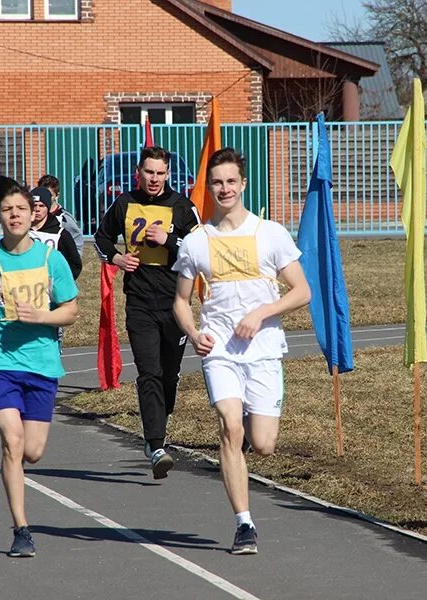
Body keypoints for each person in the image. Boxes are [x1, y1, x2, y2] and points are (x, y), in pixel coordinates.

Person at [172, 148, 311, 555]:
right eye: (217, 182)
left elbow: (302, 291)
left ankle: (248, 443)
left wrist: (261, 313)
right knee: (229, 426)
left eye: (231, 181)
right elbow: (180, 301)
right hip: (219, 349)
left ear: (243, 184)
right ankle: (244, 524)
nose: (224, 188)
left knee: (264, 443)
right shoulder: (196, 242)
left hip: (263, 348)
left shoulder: (270, 232)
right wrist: (194, 333)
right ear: (208, 187)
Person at [0, 176, 79, 558]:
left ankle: (19, 480)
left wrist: (42, 316)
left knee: (34, 451)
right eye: (7, 210)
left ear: (33, 215)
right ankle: (21, 529)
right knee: (12, 441)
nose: (15, 216)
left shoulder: (49, 259)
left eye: (21, 209)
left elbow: (71, 310)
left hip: (42, 364)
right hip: (0, 362)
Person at [94, 145, 199, 479]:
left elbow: (200, 251)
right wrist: (117, 259)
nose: (154, 179)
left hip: (175, 303)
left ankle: (159, 421)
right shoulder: (124, 203)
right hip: (139, 302)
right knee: (149, 372)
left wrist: (168, 239)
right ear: (138, 172)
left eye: (160, 173)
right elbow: (101, 238)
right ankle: (156, 445)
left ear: (168, 175)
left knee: (168, 375)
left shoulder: (183, 207)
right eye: (148, 172)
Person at [29, 186, 82, 281]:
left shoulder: (60, 234)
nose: (37, 209)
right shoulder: (22, 233)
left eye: (41, 206)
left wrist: (62, 283)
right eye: (34, 205)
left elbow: (75, 264)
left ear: (48, 207)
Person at [37, 174, 84, 255]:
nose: (45, 197)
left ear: (57, 196)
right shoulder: (32, 216)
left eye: (50, 195)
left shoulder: (64, 219)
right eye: (43, 194)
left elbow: (77, 245)